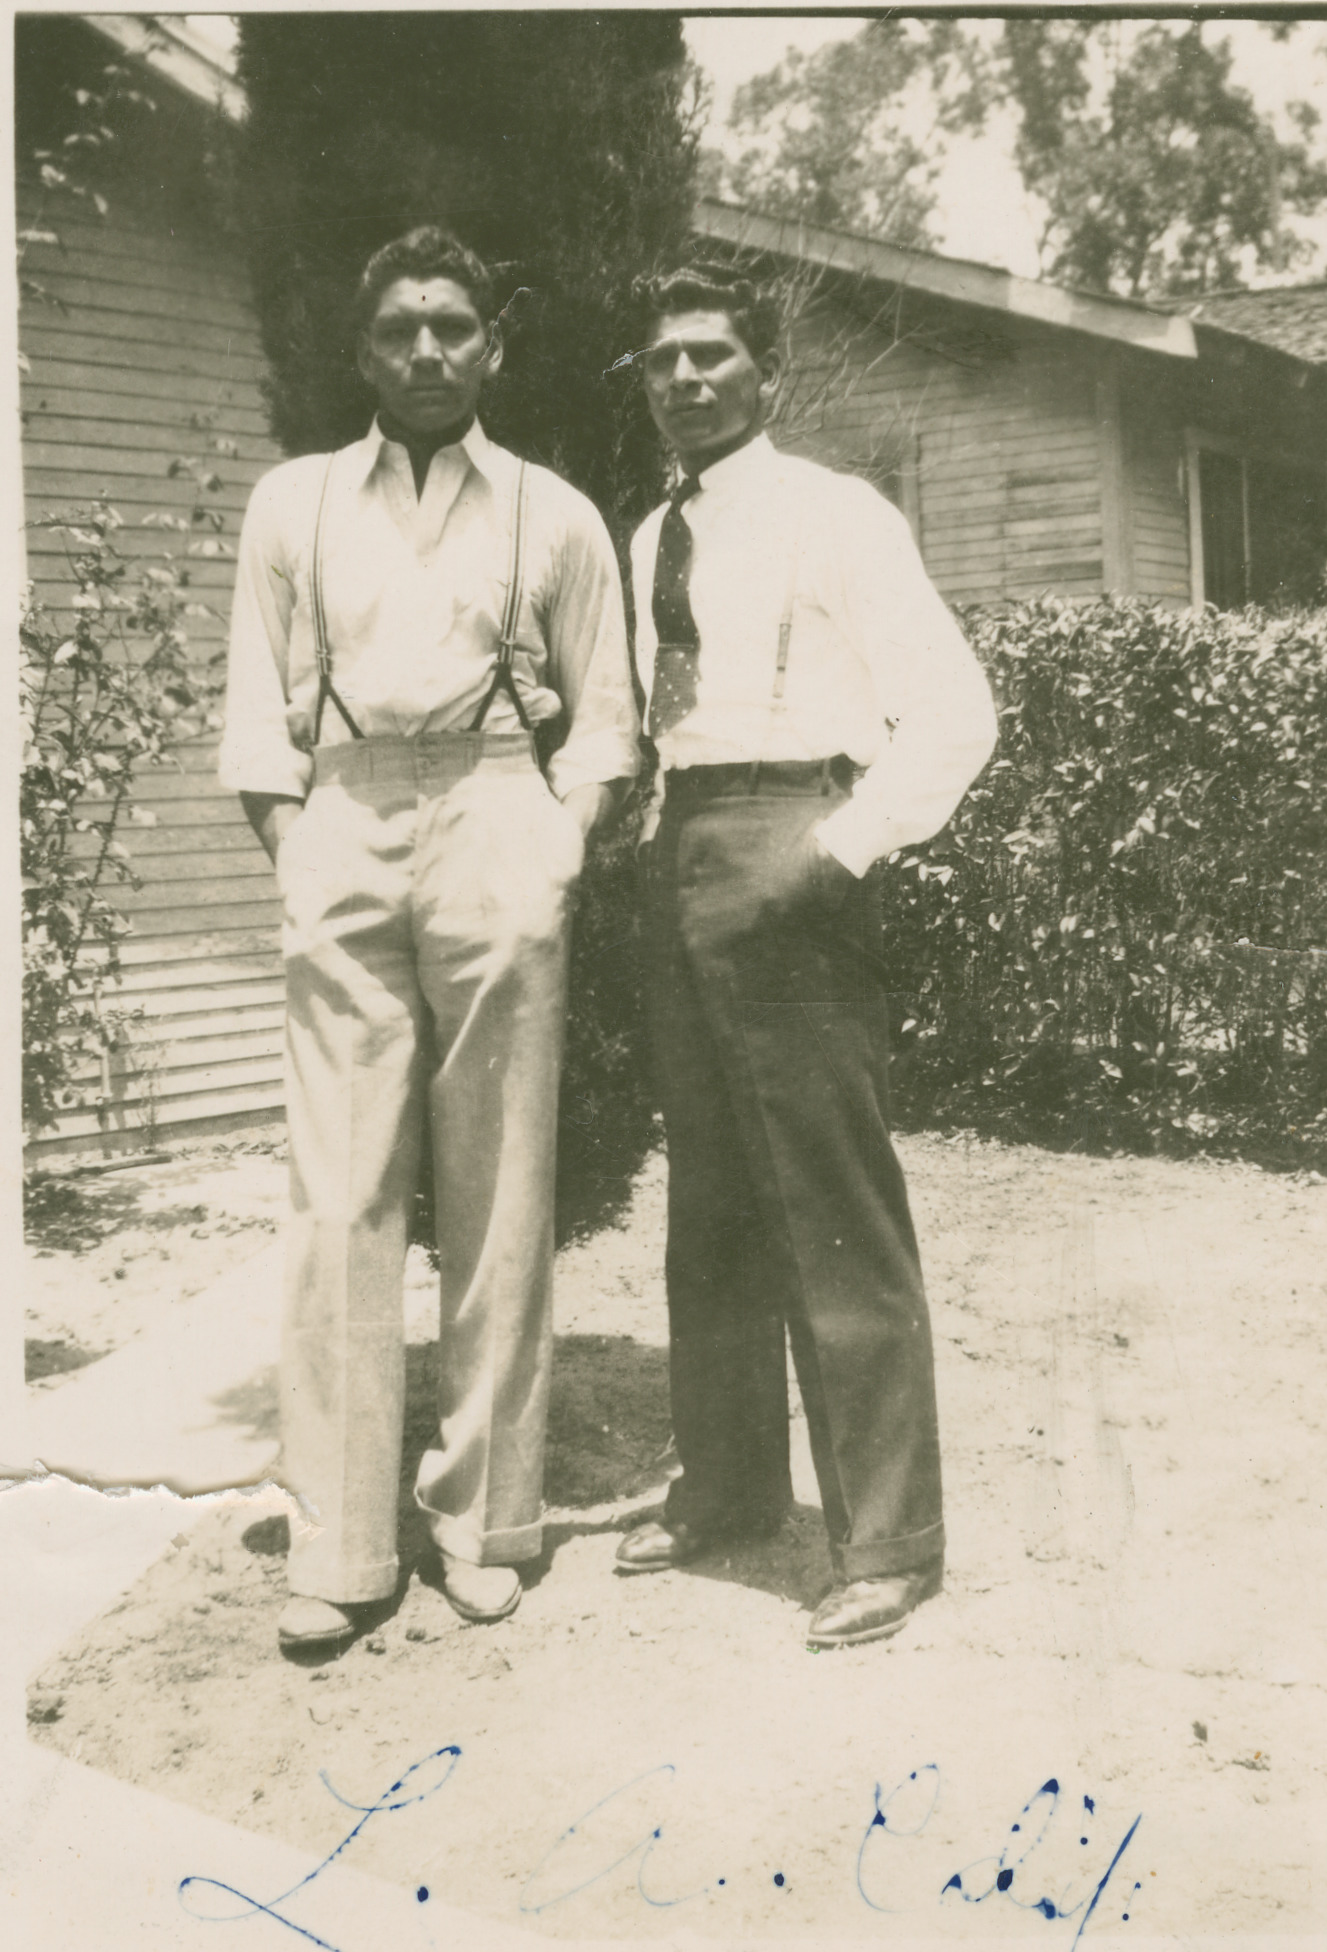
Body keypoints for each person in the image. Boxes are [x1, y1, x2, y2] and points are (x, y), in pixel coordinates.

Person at [219, 227, 639, 1652]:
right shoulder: (293, 505)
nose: (426, 351)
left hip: (499, 820)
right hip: (341, 812)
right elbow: (250, 718)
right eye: (399, 328)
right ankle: (338, 1545)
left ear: (493, 349)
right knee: (340, 1195)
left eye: (453, 326)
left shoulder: (555, 515)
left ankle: (482, 1523)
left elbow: (608, 720)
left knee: (500, 1184)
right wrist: (302, 845)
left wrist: (554, 847)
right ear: (363, 352)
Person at [616, 262, 998, 1648]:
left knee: (832, 1201)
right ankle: (726, 1490)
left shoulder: (838, 516)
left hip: (799, 835)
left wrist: (832, 848)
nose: (687, 378)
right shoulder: (645, 531)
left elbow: (958, 713)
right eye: (663, 360)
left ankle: (889, 1539)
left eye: (713, 355)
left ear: (764, 374)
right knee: (710, 1199)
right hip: (685, 850)